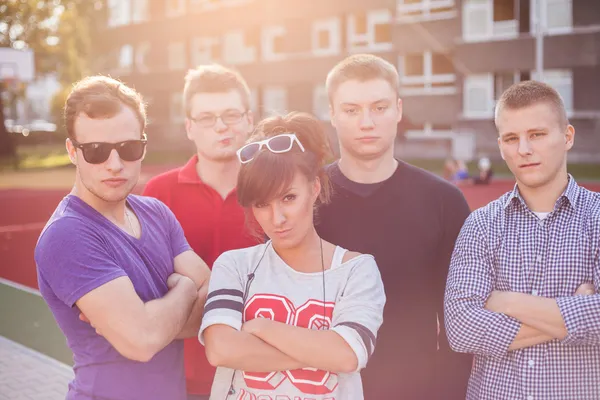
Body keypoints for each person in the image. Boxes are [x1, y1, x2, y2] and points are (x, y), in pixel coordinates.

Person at [34, 76, 211, 400]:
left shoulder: (157, 213)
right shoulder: (67, 235)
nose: (115, 165)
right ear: (73, 151)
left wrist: (155, 320)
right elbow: (142, 341)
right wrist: (185, 290)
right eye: (96, 151)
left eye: (128, 148)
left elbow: (213, 303)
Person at [315, 54, 472, 399]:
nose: (366, 122)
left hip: (417, 388)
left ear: (398, 110)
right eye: (351, 110)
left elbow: (458, 320)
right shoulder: (306, 199)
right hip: (322, 389)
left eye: (379, 107)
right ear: (332, 114)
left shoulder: (444, 202)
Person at [199, 112, 386, 399]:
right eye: (262, 204)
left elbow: (348, 355)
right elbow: (220, 349)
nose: (278, 218)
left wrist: (260, 327)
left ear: (314, 188)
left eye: (289, 197)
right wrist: (322, 351)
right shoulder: (235, 265)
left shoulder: (356, 270)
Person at [444, 80, 600, 399]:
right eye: (512, 138)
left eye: (537, 134)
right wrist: (577, 311)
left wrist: (505, 302)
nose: (524, 150)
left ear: (567, 136)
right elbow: (460, 328)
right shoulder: (481, 225)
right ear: (501, 145)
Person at [142, 64, 259, 400]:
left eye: (231, 115)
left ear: (249, 120)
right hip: (183, 376)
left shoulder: (273, 189)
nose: (221, 126)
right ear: (190, 127)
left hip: (263, 374)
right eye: (207, 118)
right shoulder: (159, 193)